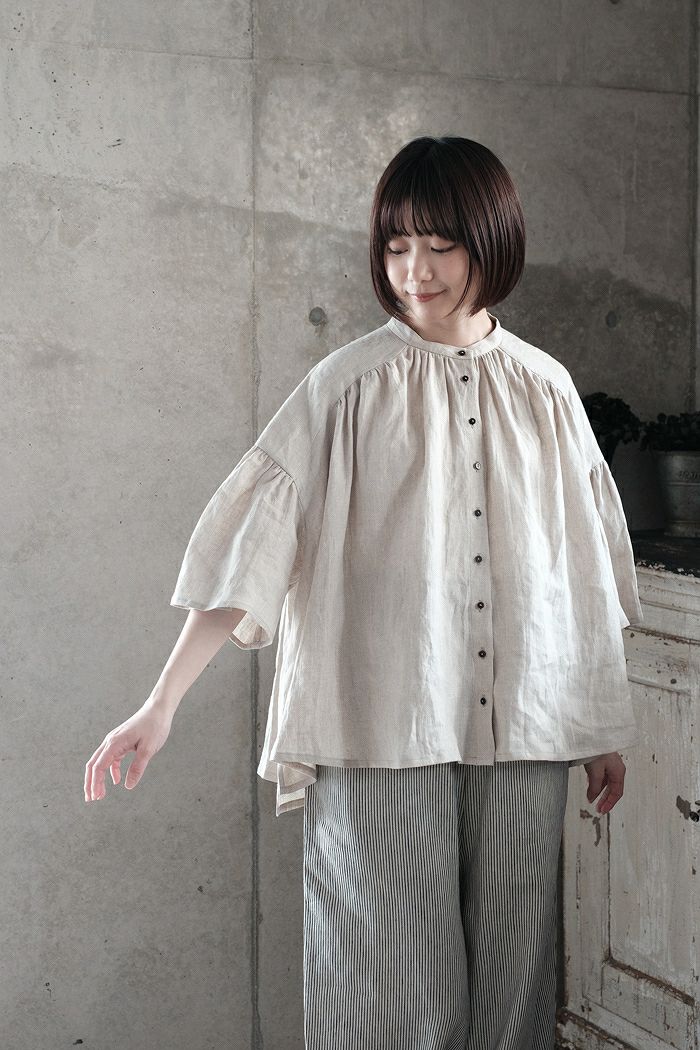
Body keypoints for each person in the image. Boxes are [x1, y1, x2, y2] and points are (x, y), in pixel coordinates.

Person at [84, 136, 644, 1050]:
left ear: (492, 242)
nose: (415, 271)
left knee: (515, 985)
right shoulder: (345, 387)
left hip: (529, 727)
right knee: (386, 990)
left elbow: (582, 570)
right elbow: (252, 547)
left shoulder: (546, 389)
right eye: (396, 246)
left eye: (441, 246)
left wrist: (601, 725)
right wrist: (161, 702)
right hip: (378, 724)